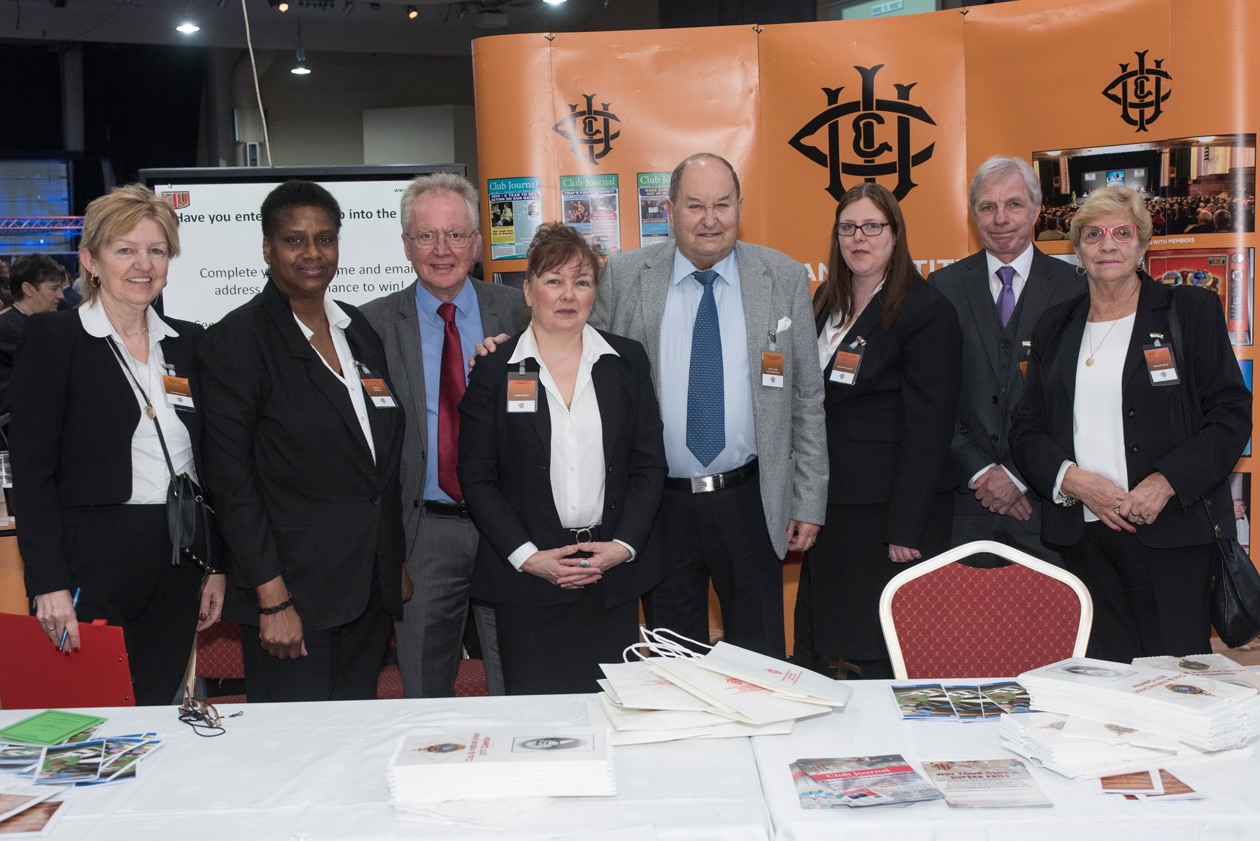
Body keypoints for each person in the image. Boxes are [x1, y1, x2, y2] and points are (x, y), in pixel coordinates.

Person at [590, 153, 827, 659]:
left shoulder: (782, 276)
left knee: (760, 662)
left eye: (722, 204)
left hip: (751, 500)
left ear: (740, 206)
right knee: (675, 662)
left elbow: (807, 397)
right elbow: (584, 371)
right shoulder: (625, 276)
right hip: (659, 506)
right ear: (670, 209)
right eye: (695, 205)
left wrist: (807, 499)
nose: (710, 219)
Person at [1011, 186, 1251, 661]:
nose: (1108, 245)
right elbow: (1026, 428)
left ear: (1143, 244)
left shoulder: (1188, 310)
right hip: (1083, 538)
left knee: (1173, 676)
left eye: (1122, 233)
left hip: (1171, 533)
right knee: (1103, 676)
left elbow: (1229, 415)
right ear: (1077, 248)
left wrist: (1165, 483)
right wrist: (1072, 481)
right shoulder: (1054, 325)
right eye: (1093, 234)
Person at [10, 184, 225, 705]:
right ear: (91, 260)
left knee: (157, 711)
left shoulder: (190, 343)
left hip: (179, 558)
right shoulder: (54, 339)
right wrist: (47, 582)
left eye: (156, 250)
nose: (143, 264)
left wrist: (216, 564)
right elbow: (32, 474)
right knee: (95, 717)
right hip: (91, 560)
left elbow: (212, 464)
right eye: (125, 249)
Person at [198, 180, 407, 702]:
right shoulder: (237, 340)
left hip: (366, 587)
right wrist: (272, 598)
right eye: (294, 240)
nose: (313, 253)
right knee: (294, 744)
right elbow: (231, 482)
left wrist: (391, 561)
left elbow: (375, 462)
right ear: (267, 248)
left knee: (356, 734)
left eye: (325, 239)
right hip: (293, 594)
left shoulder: (356, 328)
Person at [459, 223, 665, 694]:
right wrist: (529, 558)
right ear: (528, 290)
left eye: (582, 281)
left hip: (608, 576)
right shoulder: (494, 368)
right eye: (554, 280)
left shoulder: (627, 360)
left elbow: (648, 465)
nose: (568, 294)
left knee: (611, 709)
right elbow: (477, 477)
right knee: (537, 719)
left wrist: (623, 547)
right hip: (529, 583)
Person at [361, 173, 526, 698]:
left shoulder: (521, 314)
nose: (441, 249)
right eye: (426, 236)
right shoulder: (369, 326)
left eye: (455, 235)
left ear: (476, 244)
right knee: (426, 693)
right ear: (406, 245)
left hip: (510, 529)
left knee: (519, 682)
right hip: (424, 533)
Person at [794, 183, 962, 679]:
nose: (859, 238)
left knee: (875, 648)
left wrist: (907, 526)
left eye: (872, 226)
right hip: (830, 501)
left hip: (885, 512)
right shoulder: (826, 299)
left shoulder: (926, 309)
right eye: (848, 227)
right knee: (827, 642)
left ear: (895, 233)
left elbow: (930, 427)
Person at [929, 156, 1084, 566]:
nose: (1000, 219)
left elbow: (1078, 401)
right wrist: (981, 472)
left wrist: (1017, 474)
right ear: (973, 213)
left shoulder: (1075, 288)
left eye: (1014, 204)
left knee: (1050, 609)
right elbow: (931, 396)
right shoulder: (942, 288)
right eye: (987, 206)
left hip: (1045, 504)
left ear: (1036, 209)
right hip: (964, 504)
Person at [0, 254, 67, 410]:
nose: (61, 295)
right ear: (28, 289)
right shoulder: (13, 327)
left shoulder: (24, 322)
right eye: (54, 288)